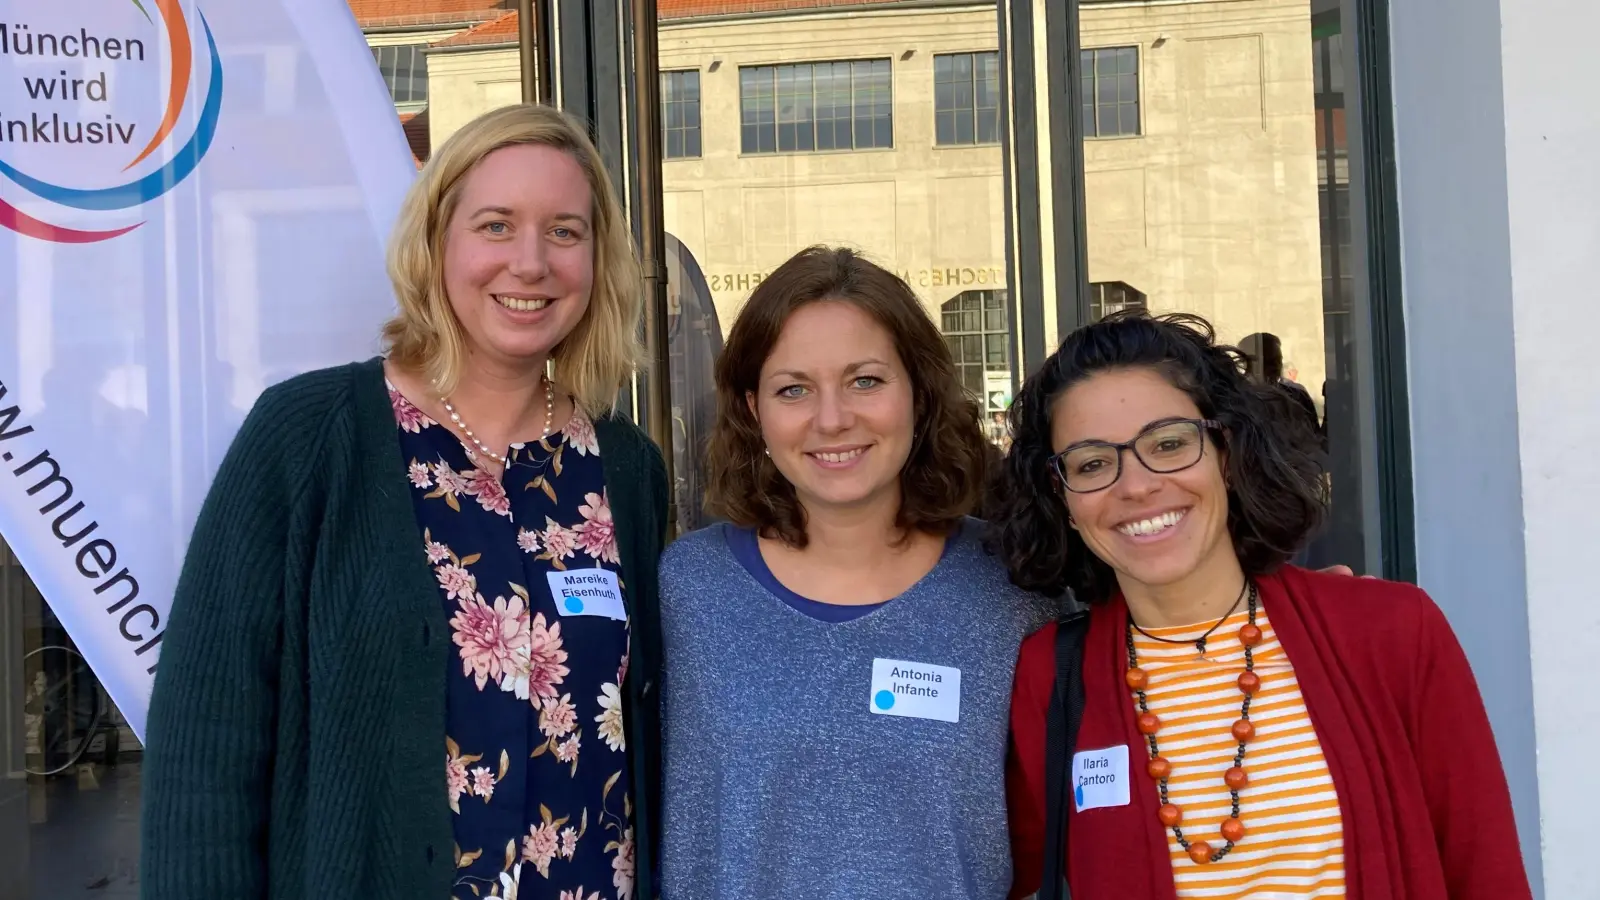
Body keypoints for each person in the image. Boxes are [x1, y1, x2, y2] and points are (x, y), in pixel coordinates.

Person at [139, 104, 669, 900]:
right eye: (495, 225)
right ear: (436, 245)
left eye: (565, 231)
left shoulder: (624, 469)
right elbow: (205, 748)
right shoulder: (309, 438)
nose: (530, 262)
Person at [991, 311, 1531, 899]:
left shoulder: (1391, 631)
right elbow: (982, 866)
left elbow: (1487, 868)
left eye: (1169, 443)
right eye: (1092, 463)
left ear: (1226, 452)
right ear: (1062, 496)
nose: (1137, 485)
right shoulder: (1049, 679)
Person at [656, 246, 1059, 899]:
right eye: (793, 389)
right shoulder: (688, 591)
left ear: (919, 393)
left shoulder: (1012, 594)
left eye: (865, 380)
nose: (833, 418)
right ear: (753, 409)